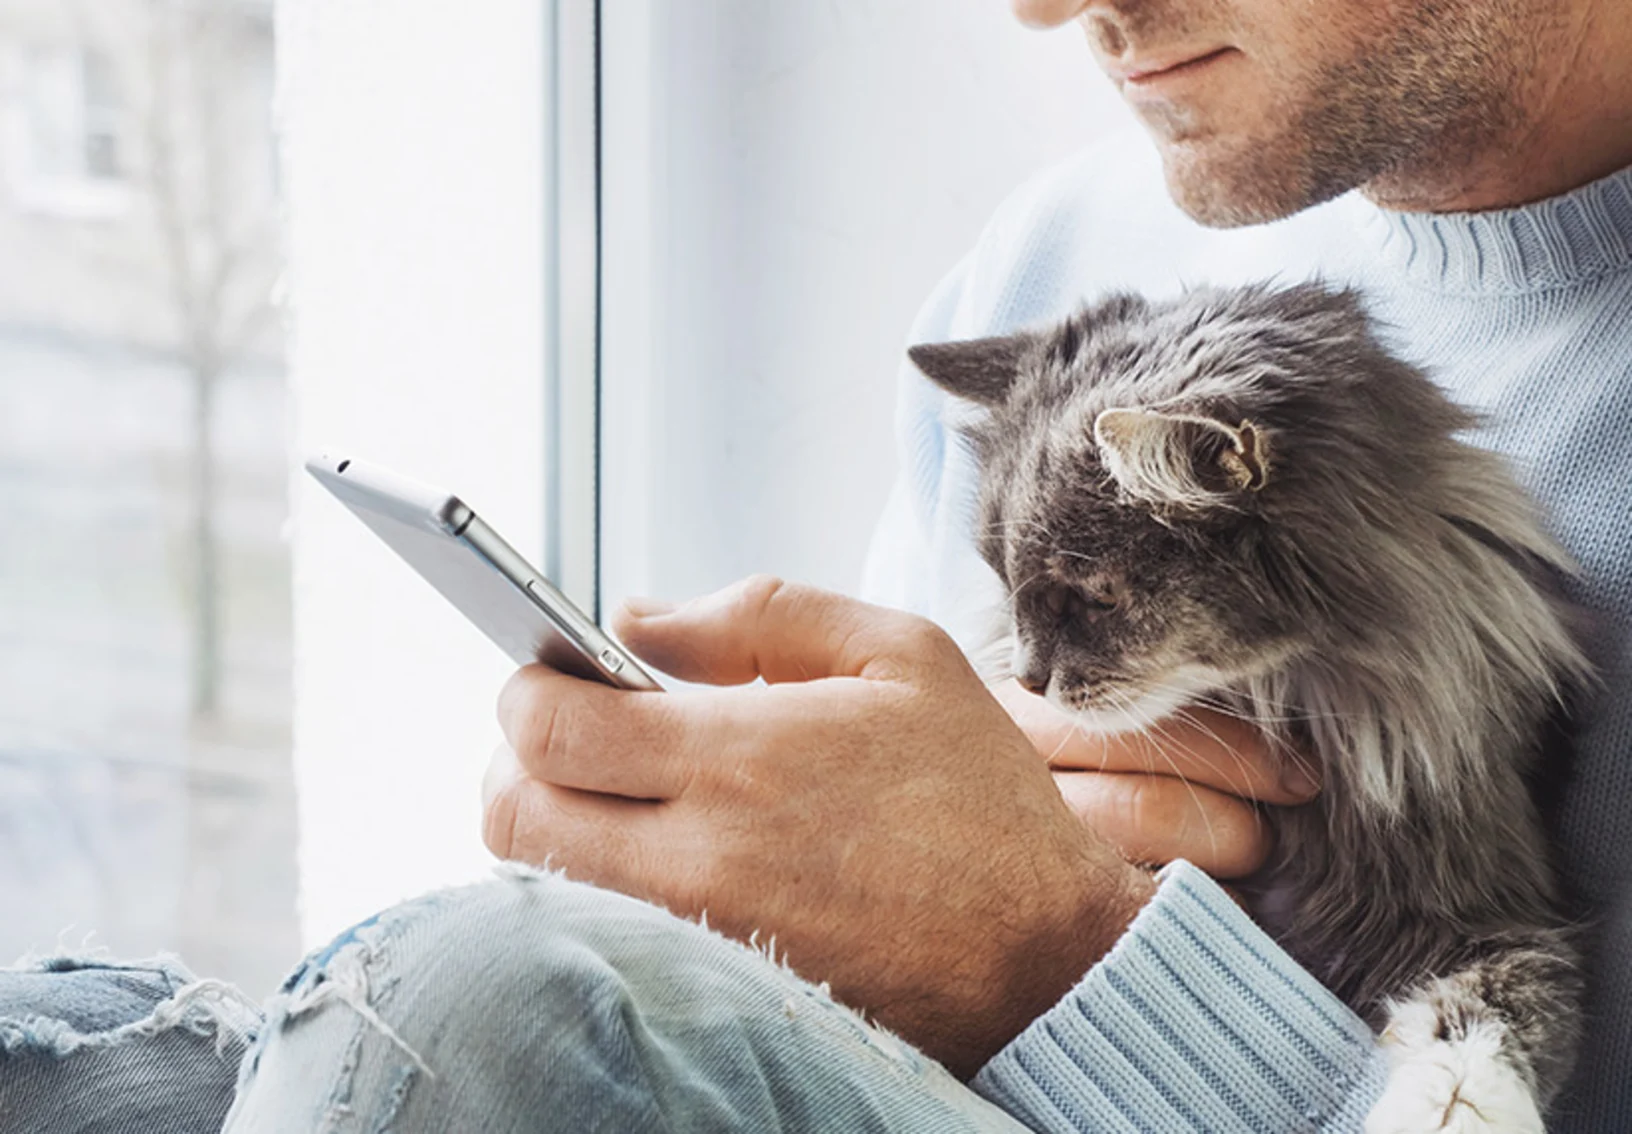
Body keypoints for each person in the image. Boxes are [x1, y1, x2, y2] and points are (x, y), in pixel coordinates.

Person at [6, 0, 1631, 1130]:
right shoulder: (1070, 263)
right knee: (65, 1063)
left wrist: (1047, 959)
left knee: (479, 999)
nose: (1052, 11)